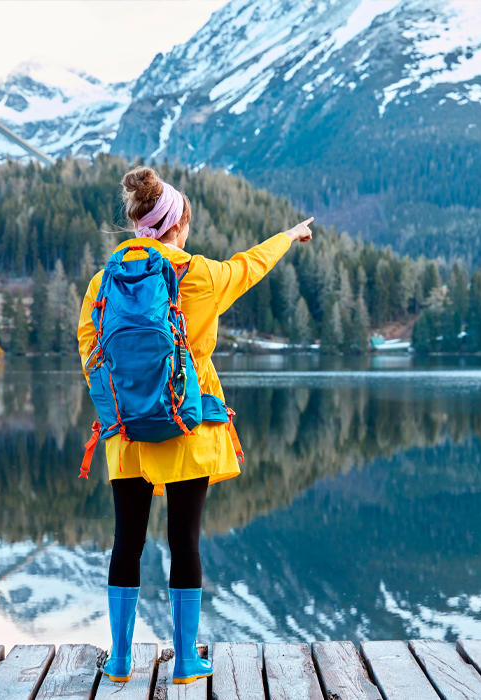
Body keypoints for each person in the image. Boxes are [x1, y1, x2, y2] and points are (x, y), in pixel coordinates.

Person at [77, 166, 313, 684]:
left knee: (126, 541)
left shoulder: (104, 279)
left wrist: (118, 406)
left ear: (141, 227)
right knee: (184, 540)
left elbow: (88, 349)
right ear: (178, 224)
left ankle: (119, 661)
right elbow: (250, 266)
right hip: (187, 423)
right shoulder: (198, 274)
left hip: (127, 435)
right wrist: (290, 236)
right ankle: (185, 661)